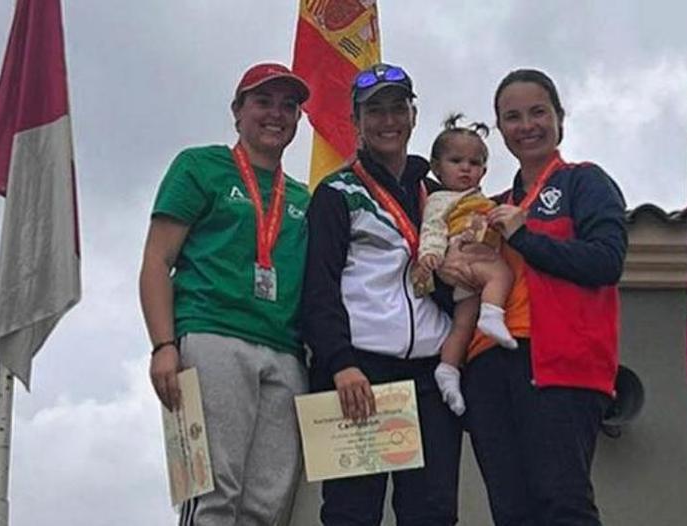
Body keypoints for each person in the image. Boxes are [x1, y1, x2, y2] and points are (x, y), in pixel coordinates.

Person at [445, 68, 628, 525]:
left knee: (562, 503)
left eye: (537, 112)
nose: (526, 125)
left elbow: (606, 262)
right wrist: (453, 265)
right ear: (500, 129)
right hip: (486, 366)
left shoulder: (583, 181)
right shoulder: (491, 203)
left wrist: (526, 237)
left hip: (557, 365)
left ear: (559, 118)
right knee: (511, 511)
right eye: (512, 117)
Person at [139, 62, 312, 525]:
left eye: (288, 106)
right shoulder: (200, 166)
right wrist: (163, 347)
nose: (276, 114)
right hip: (212, 334)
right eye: (263, 102)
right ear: (237, 111)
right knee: (213, 492)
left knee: (267, 504)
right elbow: (157, 260)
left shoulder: (303, 198)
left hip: (285, 351)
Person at [301, 62, 462, 526]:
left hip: (430, 375)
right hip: (360, 373)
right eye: (375, 112)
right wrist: (340, 362)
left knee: (431, 513)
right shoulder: (336, 192)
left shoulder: (438, 195)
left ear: (414, 116)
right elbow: (319, 288)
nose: (387, 121)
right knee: (352, 514)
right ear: (356, 122)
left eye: (397, 108)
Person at [412, 114, 518, 416]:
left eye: (474, 163)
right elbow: (432, 228)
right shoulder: (440, 199)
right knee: (503, 273)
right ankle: (493, 314)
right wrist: (430, 255)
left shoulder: (483, 199)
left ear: (484, 170)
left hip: (471, 281)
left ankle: (447, 370)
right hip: (465, 258)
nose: (465, 168)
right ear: (436, 167)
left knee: (462, 324)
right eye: (456, 160)